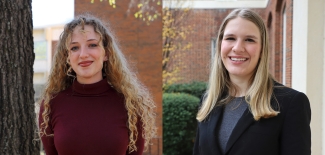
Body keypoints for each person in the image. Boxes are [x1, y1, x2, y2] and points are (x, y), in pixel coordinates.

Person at [193, 9, 311, 155]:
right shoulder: (207, 101)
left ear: (262, 50)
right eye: (230, 38)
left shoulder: (291, 103)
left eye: (249, 40)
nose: (237, 48)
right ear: (220, 45)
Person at [38, 14, 156, 155]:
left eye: (92, 45)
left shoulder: (131, 104)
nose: (83, 54)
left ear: (106, 53)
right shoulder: (51, 104)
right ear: (67, 57)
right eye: (74, 48)